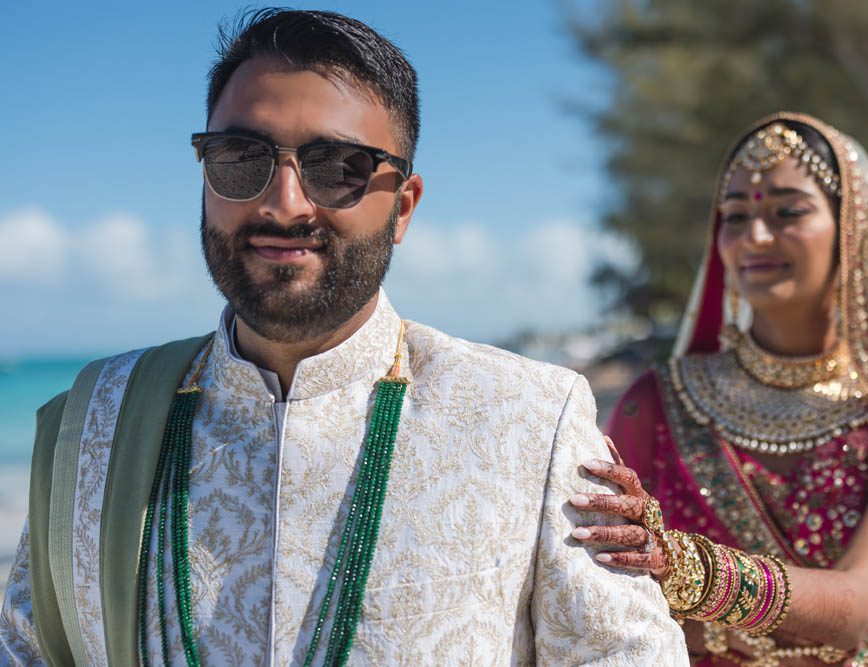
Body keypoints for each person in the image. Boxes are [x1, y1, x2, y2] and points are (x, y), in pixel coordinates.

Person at [0, 9, 688, 665]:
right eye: (240, 158)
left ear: (403, 208)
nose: (284, 203)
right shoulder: (97, 418)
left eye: (337, 167)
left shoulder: (529, 421)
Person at [569, 113, 868, 665]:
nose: (755, 237)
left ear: (851, 227)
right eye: (735, 216)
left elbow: (856, 607)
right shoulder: (657, 402)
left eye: (788, 212)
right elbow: (602, 590)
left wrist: (681, 567)